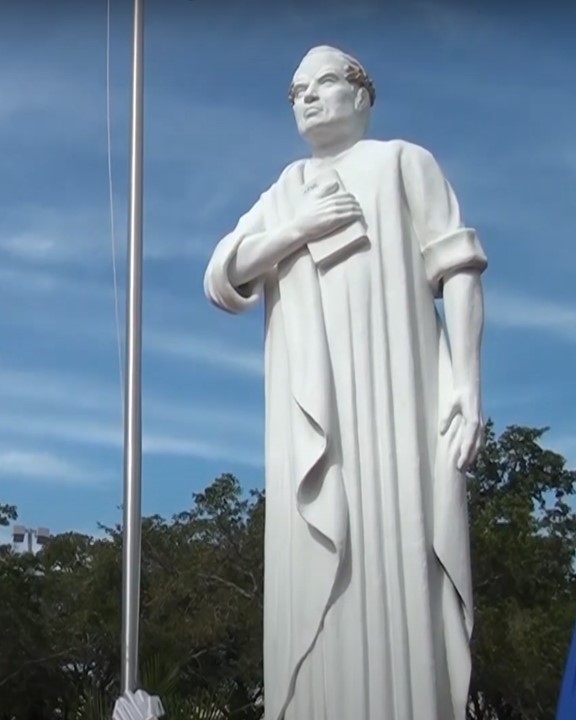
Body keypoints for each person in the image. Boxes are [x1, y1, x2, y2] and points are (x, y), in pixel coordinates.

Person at [202, 45, 487, 720]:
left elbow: (460, 270)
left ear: (363, 95)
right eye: (296, 90)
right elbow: (223, 274)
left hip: (401, 400)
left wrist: (468, 384)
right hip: (316, 420)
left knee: (401, 548)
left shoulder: (401, 162)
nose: (305, 97)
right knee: (320, 567)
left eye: (322, 83)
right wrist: (297, 230)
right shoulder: (290, 186)